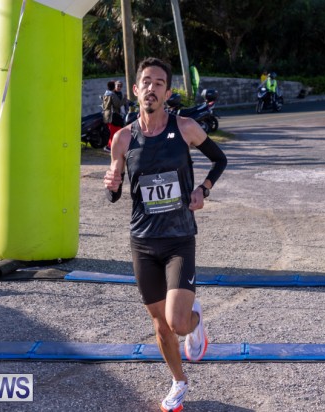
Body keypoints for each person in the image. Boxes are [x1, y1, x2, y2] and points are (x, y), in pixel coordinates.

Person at [103, 57, 227, 412]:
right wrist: (111, 184)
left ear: (167, 92)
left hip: (178, 238)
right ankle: (179, 381)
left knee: (178, 323)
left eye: (159, 83)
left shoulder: (185, 127)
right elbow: (115, 192)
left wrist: (203, 189)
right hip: (142, 242)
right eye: (146, 82)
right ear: (135, 89)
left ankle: (196, 321)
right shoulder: (122, 138)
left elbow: (219, 159)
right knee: (160, 324)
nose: (152, 88)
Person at [102, 80, 125, 152]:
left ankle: (109, 146)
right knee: (116, 132)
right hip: (113, 116)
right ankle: (111, 147)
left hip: (107, 116)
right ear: (114, 86)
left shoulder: (106, 93)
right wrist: (125, 99)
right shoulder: (112, 94)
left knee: (112, 132)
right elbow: (117, 104)